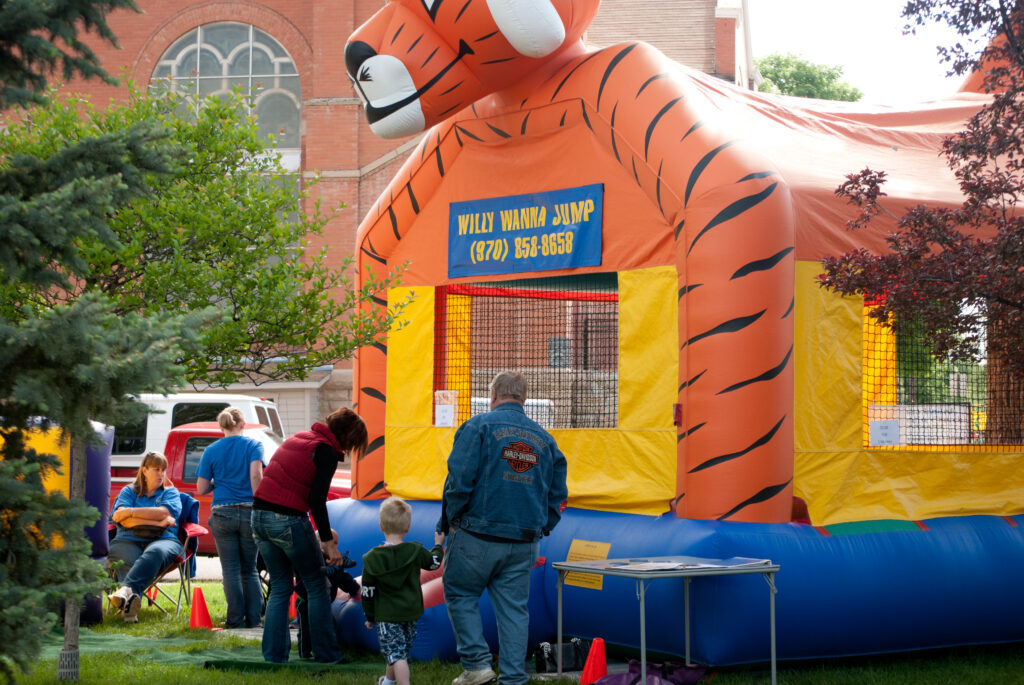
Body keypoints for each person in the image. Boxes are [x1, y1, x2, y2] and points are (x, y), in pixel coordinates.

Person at [437, 371, 568, 685]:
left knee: (459, 592)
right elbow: (558, 494)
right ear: (523, 397)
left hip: (476, 535)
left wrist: (450, 521)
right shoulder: (546, 440)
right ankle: (513, 677)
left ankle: (477, 664)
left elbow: (458, 482)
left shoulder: (477, 427)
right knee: (513, 610)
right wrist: (542, 526)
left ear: (493, 393)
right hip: (524, 540)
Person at [250, 407, 367, 663]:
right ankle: (327, 654)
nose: (350, 450)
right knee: (317, 586)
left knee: (280, 587)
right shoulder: (325, 451)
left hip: (258, 517)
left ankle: (274, 656)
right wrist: (329, 544)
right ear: (348, 437)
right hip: (288, 518)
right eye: (353, 444)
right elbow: (316, 501)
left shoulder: (299, 438)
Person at [362, 496, 445, 685]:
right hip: (410, 612)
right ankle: (387, 683)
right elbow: (434, 563)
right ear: (408, 527)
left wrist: (370, 616)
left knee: (397, 655)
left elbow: (368, 591)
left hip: (388, 615)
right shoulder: (415, 551)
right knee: (398, 651)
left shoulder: (372, 558)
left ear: (381, 526)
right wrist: (438, 545)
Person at [195, 406, 265, 629]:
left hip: (222, 513)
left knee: (231, 570)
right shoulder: (254, 445)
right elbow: (256, 475)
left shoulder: (211, 450)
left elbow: (201, 487)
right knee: (250, 569)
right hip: (249, 511)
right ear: (242, 424)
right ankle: (254, 620)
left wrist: (220, 482)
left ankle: (234, 620)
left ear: (222, 426)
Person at [108, 451, 184, 623]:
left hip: (164, 539)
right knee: (125, 557)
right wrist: (159, 521)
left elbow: (165, 512)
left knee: (155, 552)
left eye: (163, 470)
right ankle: (130, 611)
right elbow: (121, 519)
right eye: (156, 469)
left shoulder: (170, 493)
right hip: (128, 537)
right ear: (144, 470)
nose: (161, 474)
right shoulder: (129, 491)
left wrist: (132, 512)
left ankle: (124, 592)